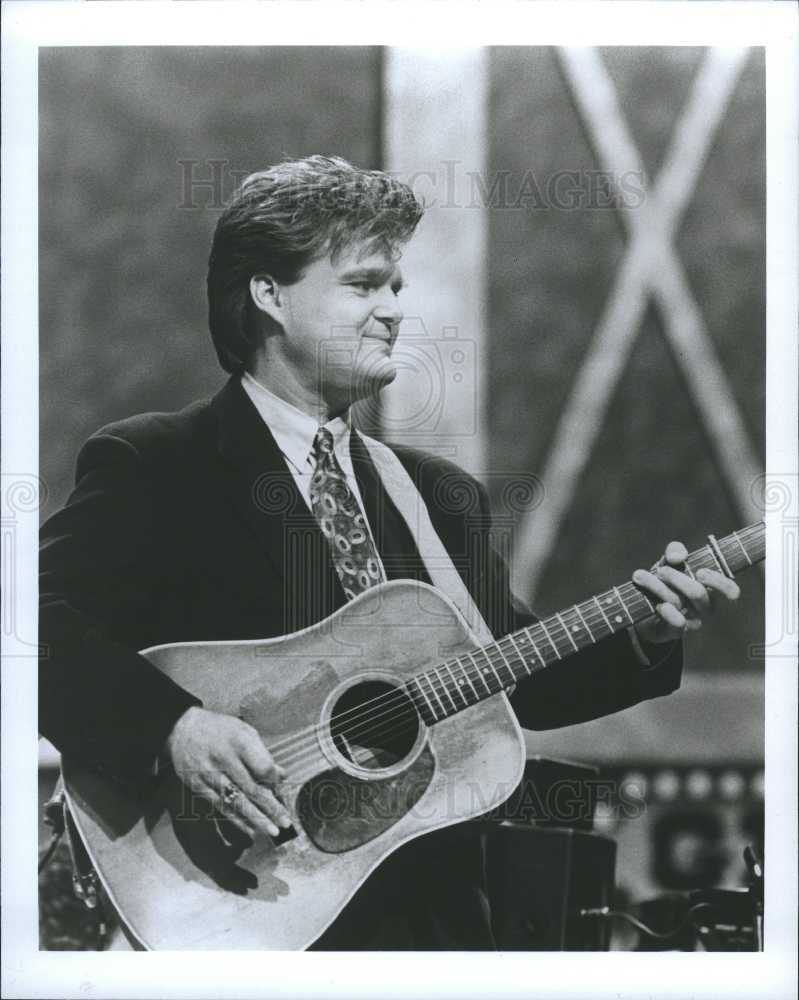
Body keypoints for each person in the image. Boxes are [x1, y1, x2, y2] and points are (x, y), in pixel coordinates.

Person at [38, 155, 741, 950]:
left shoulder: (437, 493)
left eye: (396, 288)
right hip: (245, 899)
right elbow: (32, 627)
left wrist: (647, 633)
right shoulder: (159, 463)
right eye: (364, 285)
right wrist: (172, 726)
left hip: (430, 916)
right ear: (269, 294)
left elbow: (510, 674)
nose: (392, 311)